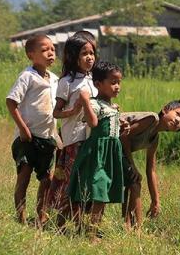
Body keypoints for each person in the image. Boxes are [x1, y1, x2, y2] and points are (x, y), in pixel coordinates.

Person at [5, 34, 60, 226]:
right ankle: (20, 216)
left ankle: (41, 216)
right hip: (27, 138)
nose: (50, 53)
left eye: (52, 49)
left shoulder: (55, 79)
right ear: (31, 55)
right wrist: (22, 129)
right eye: (44, 50)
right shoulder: (27, 76)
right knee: (24, 176)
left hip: (47, 137)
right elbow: (11, 102)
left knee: (46, 180)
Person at [67, 61, 125, 239]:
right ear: (98, 84)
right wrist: (85, 100)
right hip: (98, 153)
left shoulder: (113, 107)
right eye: (113, 82)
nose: (117, 87)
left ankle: (91, 229)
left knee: (103, 191)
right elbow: (92, 123)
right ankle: (90, 233)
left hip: (111, 153)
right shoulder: (94, 104)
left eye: (119, 82)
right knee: (98, 191)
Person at [47, 35, 98, 227]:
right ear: (73, 56)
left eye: (92, 53)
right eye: (84, 53)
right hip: (73, 139)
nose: (89, 57)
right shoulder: (67, 82)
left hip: (91, 138)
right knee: (70, 182)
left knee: (86, 181)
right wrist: (74, 110)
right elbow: (57, 112)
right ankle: (60, 223)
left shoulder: (95, 80)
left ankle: (80, 224)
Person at [120, 100, 180, 229]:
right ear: (165, 110)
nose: (177, 120)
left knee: (133, 181)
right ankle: (136, 229)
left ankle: (128, 224)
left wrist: (156, 201)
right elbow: (124, 136)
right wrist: (133, 166)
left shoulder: (154, 140)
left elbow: (151, 170)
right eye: (177, 114)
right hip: (108, 142)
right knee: (135, 181)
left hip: (118, 150)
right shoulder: (151, 119)